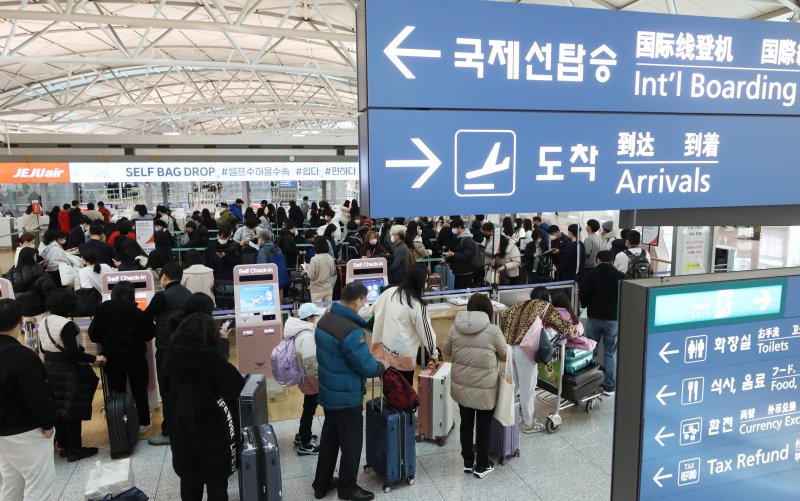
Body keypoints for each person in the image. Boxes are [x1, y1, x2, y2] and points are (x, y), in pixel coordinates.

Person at [313, 282, 386, 501]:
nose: (365, 305)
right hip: (347, 396)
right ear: (357, 302)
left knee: (329, 440)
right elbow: (366, 366)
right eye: (364, 301)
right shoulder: (351, 331)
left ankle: (321, 484)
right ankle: (347, 488)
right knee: (352, 443)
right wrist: (381, 366)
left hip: (329, 392)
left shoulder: (324, 320)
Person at [165, 312, 244, 501]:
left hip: (181, 427)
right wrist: (223, 346)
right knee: (216, 481)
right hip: (211, 431)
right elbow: (235, 385)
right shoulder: (212, 359)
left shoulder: (170, 355)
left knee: (189, 480)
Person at [442, 293, 506, 479]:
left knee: (466, 423)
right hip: (485, 389)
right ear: (488, 310)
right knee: (484, 426)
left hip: (462, 387)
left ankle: (468, 462)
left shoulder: (455, 328)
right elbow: (504, 355)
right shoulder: (493, 331)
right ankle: (482, 465)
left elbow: (446, 350)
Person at [0, 298, 58, 500]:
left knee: (12, 483)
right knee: (39, 484)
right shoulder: (22, 356)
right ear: (20, 321)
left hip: (3, 435)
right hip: (25, 431)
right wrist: (48, 424)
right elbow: (37, 395)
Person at [500, 287, 576, 433]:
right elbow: (562, 326)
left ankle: (511, 417)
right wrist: (575, 331)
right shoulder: (544, 306)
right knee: (528, 388)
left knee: (512, 385)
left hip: (508, 348)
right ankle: (529, 423)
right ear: (547, 297)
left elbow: (503, 318)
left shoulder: (518, 304)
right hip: (525, 349)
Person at [40, 289, 104, 461]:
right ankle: (76, 450)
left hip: (50, 367)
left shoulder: (43, 321)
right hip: (67, 370)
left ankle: (64, 447)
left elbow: (43, 348)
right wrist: (94, 358)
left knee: (59, 409)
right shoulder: (67, 325)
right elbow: (72, 354)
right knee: (72, 410)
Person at [89, 281, 155, 433]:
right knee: (139, 390)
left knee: (117, 391)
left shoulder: (102, 310)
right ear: (132, 294)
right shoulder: (137, 311)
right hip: (136, 356)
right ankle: (143, 422)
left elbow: (93, 335)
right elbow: (148, 334)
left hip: (111, 358)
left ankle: (120, 421)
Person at [144, 262, 193, 446]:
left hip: (166, 349)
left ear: (164, 277)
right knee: (183, 390)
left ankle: (169, 432)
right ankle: (186, 428)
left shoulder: (161, 297)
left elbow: (145, 317)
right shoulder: (188, 294)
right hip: (185, 348)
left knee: (167, 392)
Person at [370, 264, 437, 385]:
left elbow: (372, 310)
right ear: (420, 283)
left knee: (389, 390)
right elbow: (427, 333)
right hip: (403, 356)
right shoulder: (417, 305)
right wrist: (434, 354)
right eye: (426, 281)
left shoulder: (390, 292)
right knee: (404, 395)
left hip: (383, 350)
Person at [580, 250, 625, 396]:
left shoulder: (591, 275)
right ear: (612, 260)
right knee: (610, 353)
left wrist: (587, 304)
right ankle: (610, 386)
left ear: (598, 260)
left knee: (591, 350)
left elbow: (584, 295)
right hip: (613, 319)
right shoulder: (621, 277)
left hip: (593, 317)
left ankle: (588, 383)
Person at [284, 303, 326, 455]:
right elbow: (310, 360)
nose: (318, 318)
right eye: (316, 316)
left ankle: (302, 435)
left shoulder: (299, 331)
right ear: (309, 318)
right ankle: (305, 444)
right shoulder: (306, 336)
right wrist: (321, 375)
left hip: (305, 376)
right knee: (310, 408)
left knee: (308, 407)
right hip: (311, 377)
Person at [6, 247, 55, 318]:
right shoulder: (42, 274)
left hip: (21, 313)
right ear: (33, 258)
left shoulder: (10, 275)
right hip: (42, 311)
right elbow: (51, 294)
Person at [444, 218, 478, 290]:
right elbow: (457, 252)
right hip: (459, 271)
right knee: (458, 293)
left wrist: (453, 254)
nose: (452, 230)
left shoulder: (467, 240)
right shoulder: (459, 237)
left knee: (464, 294)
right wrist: (447, 259)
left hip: (466, 273)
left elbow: (467, 256)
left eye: (453, 228)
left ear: (459, 227)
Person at [304, 236, 336, 303]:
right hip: (328, 288)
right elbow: (332, 273)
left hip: (317, 290)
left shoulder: (314, 259)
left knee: (318, 311)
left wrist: (306, 269)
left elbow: (311, 276)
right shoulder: (330, 258)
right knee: (328, 310)